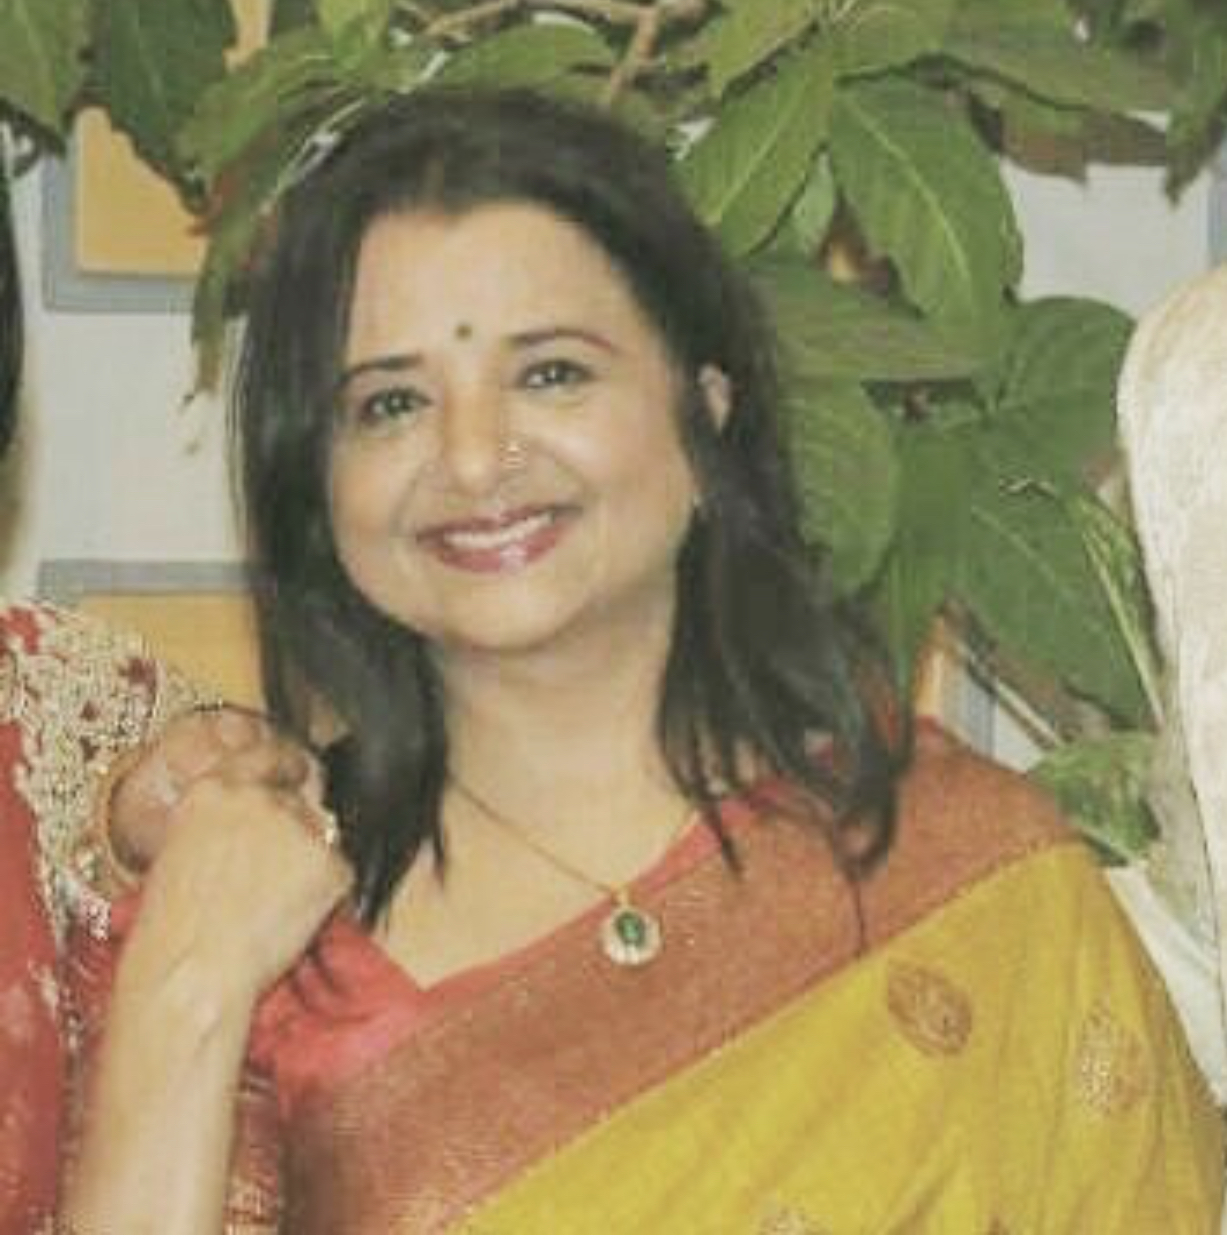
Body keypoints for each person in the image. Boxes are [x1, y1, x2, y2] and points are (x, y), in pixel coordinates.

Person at [63, 88, 1223, 1233]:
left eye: (550, 373)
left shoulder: (970, 874)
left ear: (703, 409)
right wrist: (189, 989)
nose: (473, 458)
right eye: (393, 403)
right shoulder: (261, 935)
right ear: (318, 485)